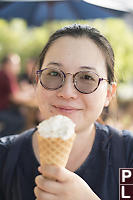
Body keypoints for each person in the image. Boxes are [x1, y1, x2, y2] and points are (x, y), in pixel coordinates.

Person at [0, 24, 133, 200]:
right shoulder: (4, 158)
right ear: (38, 81)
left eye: (87, 77)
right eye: (54, 73)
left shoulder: (127, 159)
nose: (67, 93)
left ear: (109, 93)